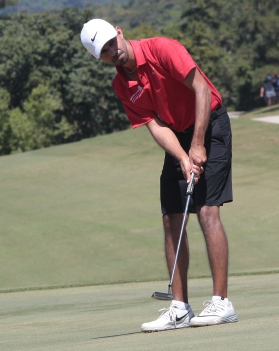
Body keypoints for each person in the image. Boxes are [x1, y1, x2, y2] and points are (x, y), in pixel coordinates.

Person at [80, 19, 237, 332]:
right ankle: (179, 307)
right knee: (172, 216)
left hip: (211, 124)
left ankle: (222, 303)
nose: (113, 52)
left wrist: (197, 144)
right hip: (175, 135)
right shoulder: (121, 86)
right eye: (105, 52)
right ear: (98, 59)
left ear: (120, 33)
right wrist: (182, 156)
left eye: (113, 42)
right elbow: (154, 124)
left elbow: (201, 89)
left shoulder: (163, 49)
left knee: (207, 212)